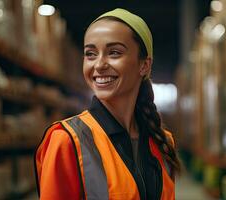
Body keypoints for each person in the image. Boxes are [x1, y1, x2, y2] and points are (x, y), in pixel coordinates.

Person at [35, 8, 181, 200]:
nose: (99, 64)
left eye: (114, 52)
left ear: (144, 65)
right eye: (90, 54)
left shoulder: (163, 143)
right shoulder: (68, 141)